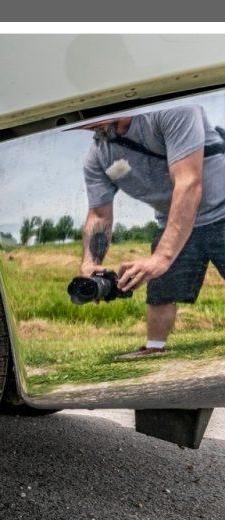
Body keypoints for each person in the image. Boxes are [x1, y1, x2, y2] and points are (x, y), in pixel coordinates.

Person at [80, 105, 225, 360]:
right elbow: (99, 215)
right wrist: (91, 263)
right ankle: (154, 348)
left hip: (221, 210)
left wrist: (162, 257)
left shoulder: (174, 111)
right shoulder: (98, 157)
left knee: (159, 266)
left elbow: (189, 183)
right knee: (160, 292)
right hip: (173, 221)